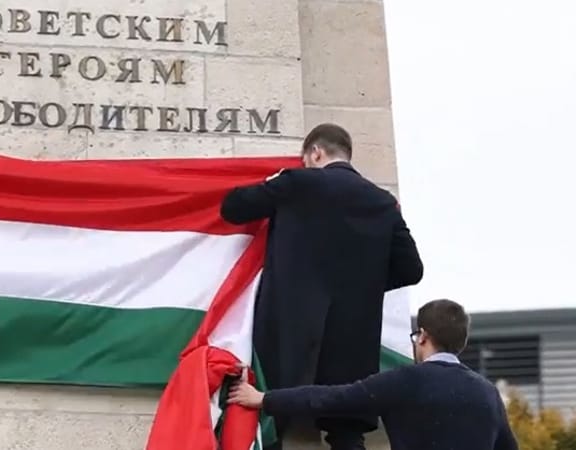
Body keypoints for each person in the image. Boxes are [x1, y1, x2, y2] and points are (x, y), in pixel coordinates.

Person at [219, 123, 424, 450]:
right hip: (352, 342)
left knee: (272, 421)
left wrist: (273, 181)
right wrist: (365, 286)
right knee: (347, 435)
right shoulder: (382, 202)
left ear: (315, 153)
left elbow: (233, 208)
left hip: (290, 333)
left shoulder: (298, 182)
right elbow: (412, 269)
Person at [228, 299, 519, 450]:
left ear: (422, 336)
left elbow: (330, 398)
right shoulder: (488, 393)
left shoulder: (405, 382)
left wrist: (263, 398)